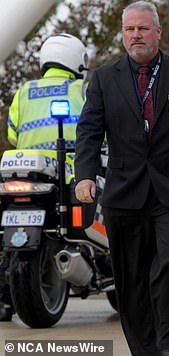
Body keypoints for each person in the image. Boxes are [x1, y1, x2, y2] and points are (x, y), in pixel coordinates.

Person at [74, 2, 169, 355]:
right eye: (129, 30)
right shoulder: (104, 79)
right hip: (124, 193)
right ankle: (145, 347)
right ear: (123, 35)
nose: (136, 35)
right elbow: (89, 132)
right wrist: (84, 176)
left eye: (142, 28)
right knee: (132, 277)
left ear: (158, 32)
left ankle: (167, 341)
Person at [1, 33, 89, 322]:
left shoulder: (25, 91)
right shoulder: (82, 88)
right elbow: (100, 126)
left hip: (28, 174)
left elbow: (13, 135)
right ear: (77, 59)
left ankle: (4, 301)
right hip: (72, 174)